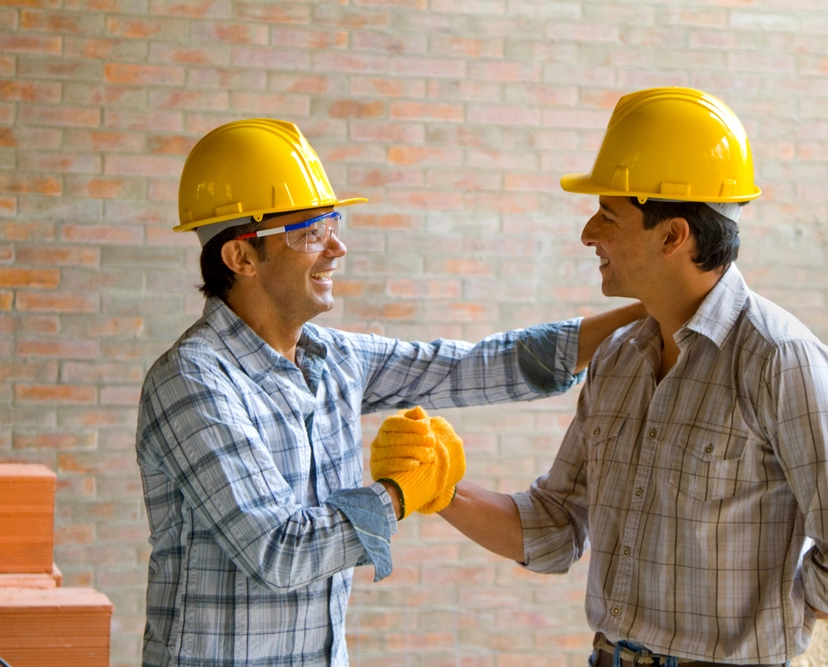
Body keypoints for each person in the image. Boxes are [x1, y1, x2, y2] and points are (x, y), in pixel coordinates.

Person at [373, 88, 828, 667]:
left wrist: (767, 622)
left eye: (608, 215)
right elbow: (552, 531)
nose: (587, 234)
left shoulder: (782, 361)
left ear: (673, 235)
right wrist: (441, 491)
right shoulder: (619, 359)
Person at [134, 118, 644, 667]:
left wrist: (649, 311)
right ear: (242, 258)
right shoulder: (194, 381)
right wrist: (401, 492)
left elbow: (470, 367)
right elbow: (278, 550)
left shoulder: (331, 360)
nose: (337, 247)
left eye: (333, 222)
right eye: (309, 232)